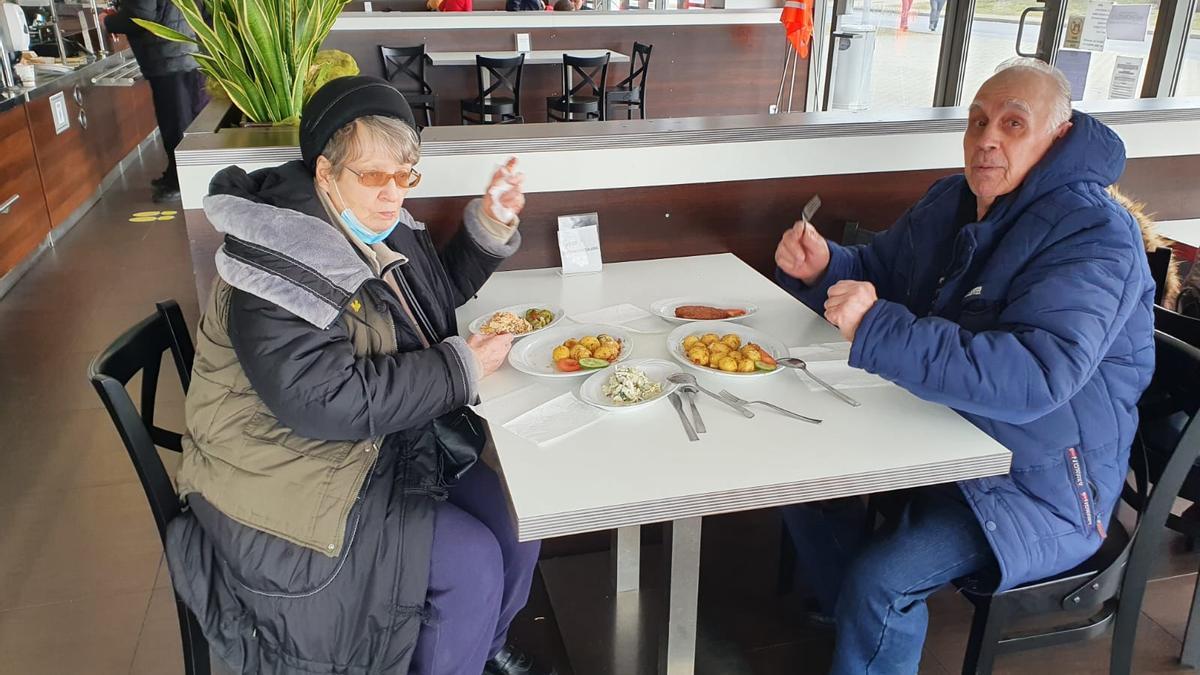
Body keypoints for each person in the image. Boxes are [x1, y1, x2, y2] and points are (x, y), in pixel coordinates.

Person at [774, 57, 1155, 674]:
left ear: (1057, 137)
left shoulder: (1095, 233)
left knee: (883, 582)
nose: (987, 140)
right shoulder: (952, 198)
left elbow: (1036, 376)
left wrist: (877, 325)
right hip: (939, 426)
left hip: (1042, 479)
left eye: (1012, 124)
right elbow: (881, 273)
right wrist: (828, 268)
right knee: (796, 478)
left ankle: (865, 610)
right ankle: (853, 613)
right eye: (978, 122)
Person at [164, 76, 552, 675]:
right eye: (373, 175)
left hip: (373, 448)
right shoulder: (276, 260)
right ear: (324, 173)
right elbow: (323, 402)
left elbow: (431, 299)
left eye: (406, 175)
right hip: (287, 473)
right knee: (471, 562)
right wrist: (461, 367)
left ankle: (478, 648)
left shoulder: (369, 222)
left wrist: (489, 224)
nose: (392, 194)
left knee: (524, 516)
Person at [104, 0, 207, 203]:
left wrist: (108, 21)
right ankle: (175, 175)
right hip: (184, 51)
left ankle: (180, 182)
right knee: (183, 119)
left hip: (169, 57)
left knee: (176, 124)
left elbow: (141, 17)